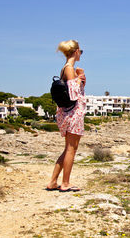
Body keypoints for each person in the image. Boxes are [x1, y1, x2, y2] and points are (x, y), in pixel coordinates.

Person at [46, 39, 86, 192]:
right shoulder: (69, 68)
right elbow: (74, 93)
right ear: (75, 52)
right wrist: (79, 77)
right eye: (80, 52)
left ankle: (53, 182)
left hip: (66, 112)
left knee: (67, 149)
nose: (80, 54)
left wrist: (81, 80)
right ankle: (65, 183)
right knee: (71, 149)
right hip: (73, 113)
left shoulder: (66, 69)